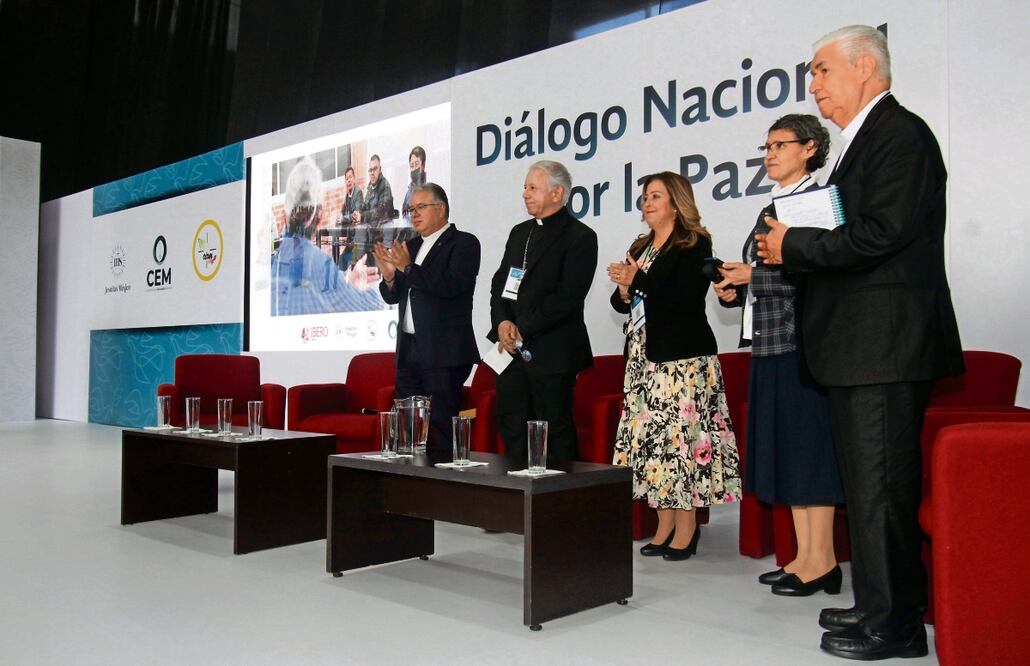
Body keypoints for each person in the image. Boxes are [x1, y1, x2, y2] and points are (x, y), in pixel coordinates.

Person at [756, 26, 963, 660]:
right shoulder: (858, 142)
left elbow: (882, 234)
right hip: (857, 346)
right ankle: (878, 604)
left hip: (884, 343)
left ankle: (896, 624)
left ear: (865, 67)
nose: (811, 84)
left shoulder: (901, 135)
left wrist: (793, 245)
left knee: (881, 492)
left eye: (821, 70)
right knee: (869, 488)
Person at [714, 114, 845, 595]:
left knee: (810, 450)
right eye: (765, 146)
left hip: (804, 343)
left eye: (779, 145)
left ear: (809, 148)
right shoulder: (771, 204)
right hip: (770, 343)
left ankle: (824, 560)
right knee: (787, 450)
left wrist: (756, 279)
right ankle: (802, 557)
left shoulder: (819, 202)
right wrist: (736, 287)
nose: (768, 154)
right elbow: (769, 270)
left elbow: (822, 271)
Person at [608, 171, 740, 561]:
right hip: (643, 360)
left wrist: (640, 281)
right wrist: (624, 288)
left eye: (655, 196)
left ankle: (687, 527)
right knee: (653, 445)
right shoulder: (642, 245)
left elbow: (684, 298)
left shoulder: (694, 243)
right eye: (644, 197)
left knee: (681, 443)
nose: (647, 203)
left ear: (676, 201)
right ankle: (663, 523)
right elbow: (624, 304)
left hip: (683, 360)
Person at [488, 160, 596, 464]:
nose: (525, 194)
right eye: (525, 187)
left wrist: (523, 327)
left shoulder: (580, 237)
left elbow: (567, 297)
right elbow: (500, 283)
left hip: (552, 350)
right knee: (511, 425)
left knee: (555, 433)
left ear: (557, 193)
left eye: (533, 188)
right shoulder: (519, 232)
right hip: (511, 350)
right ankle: (519, 503)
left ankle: (563, 508)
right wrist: (502, 322)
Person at [373, 183, 480, 449]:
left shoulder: (464, 243)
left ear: (441, 208)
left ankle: (444, 487)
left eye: (421, 207)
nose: (414, 214)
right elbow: (393, 296)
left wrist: (407, 267)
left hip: (444, 351)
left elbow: (450, 286)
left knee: (441, 425)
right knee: (406, 428)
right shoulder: (410, 246)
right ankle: (409, 486)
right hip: (409, 349)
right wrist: (389, 277)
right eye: (411, 209)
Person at [270, 157, 383, 316]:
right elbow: (373, 307)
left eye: (350, 178)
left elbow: (353, 216)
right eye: (346, 179)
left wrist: (345, 281)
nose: (348, 181)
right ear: (320, 215)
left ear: (283, 216)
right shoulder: (319, 266)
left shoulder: (270, 266)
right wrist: (361, 286)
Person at [352, 154, 395, 266]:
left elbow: (380, 212)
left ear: (380, 169)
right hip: (373, 232)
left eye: (375, 169)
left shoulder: (385, 186)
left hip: (383, 233)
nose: (372, 172)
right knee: (359, 232)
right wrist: (358, 213)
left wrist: (363, 217)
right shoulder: (370, 187)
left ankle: (360, 265)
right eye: (370, 170)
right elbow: (365, 206)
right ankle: (358, 265)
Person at [401, 146, 427, 223]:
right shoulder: (409, 191)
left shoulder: (428, 187)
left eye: (417, 164)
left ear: (423, 165)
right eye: (412, 166)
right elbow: (404, 212)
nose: (414, 168)